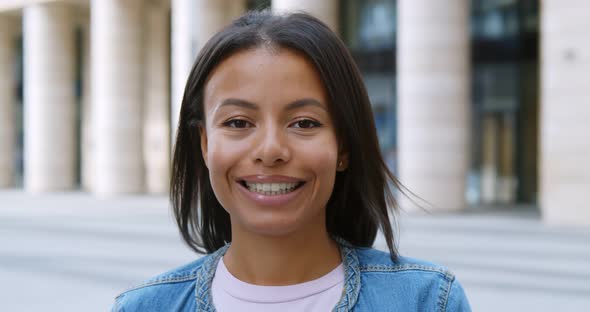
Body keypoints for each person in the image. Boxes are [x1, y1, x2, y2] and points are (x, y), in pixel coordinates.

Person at [112, 10, 471, 312]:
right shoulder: (145, 307)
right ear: (205, 145)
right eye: (238, 123)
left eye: (304, 123)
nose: (270, 150)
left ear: (343, 147)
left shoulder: (426, 301)